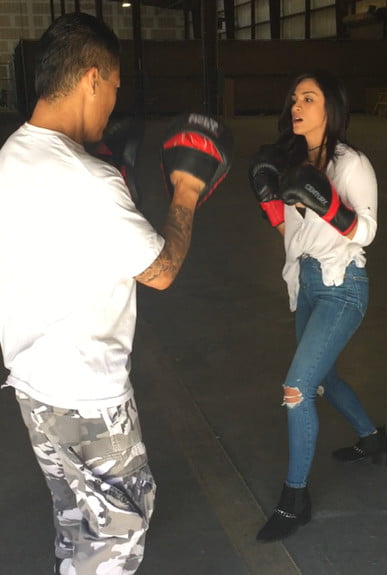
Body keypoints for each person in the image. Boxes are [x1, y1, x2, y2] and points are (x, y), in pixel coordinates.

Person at [0, 12, 232, 575]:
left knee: (77, 518)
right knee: (116, 539)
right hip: (89, 397)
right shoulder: (90, 181)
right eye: (114, 87)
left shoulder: (12, 154)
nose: (113, 103)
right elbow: (161, 270)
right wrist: (186, 191)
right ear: (92, 79)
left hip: (33, 388)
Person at [249, 69, 387, 543]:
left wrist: (329, 205)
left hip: (342, 285)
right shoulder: (293, 163)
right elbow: (293, 235)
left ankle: (295, 500)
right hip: (308, 283)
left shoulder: (351, 164)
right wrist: (275, 207)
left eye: (308, 98)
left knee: (297, 389)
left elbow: (366, 231)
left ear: (331, 107)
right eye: (294, 98)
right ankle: (373, 439)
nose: (297, 106)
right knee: (323, 379)